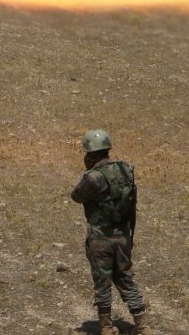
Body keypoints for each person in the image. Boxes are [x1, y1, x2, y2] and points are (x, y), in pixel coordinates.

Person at [70, 129, 150, 335]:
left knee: (102, 282)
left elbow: (76, 196)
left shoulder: (94, 177)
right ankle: (142, 325)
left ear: (91, 154)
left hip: (101, 238)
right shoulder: (125, 170)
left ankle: (106, 327)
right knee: (125, 279)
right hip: (122, 236)